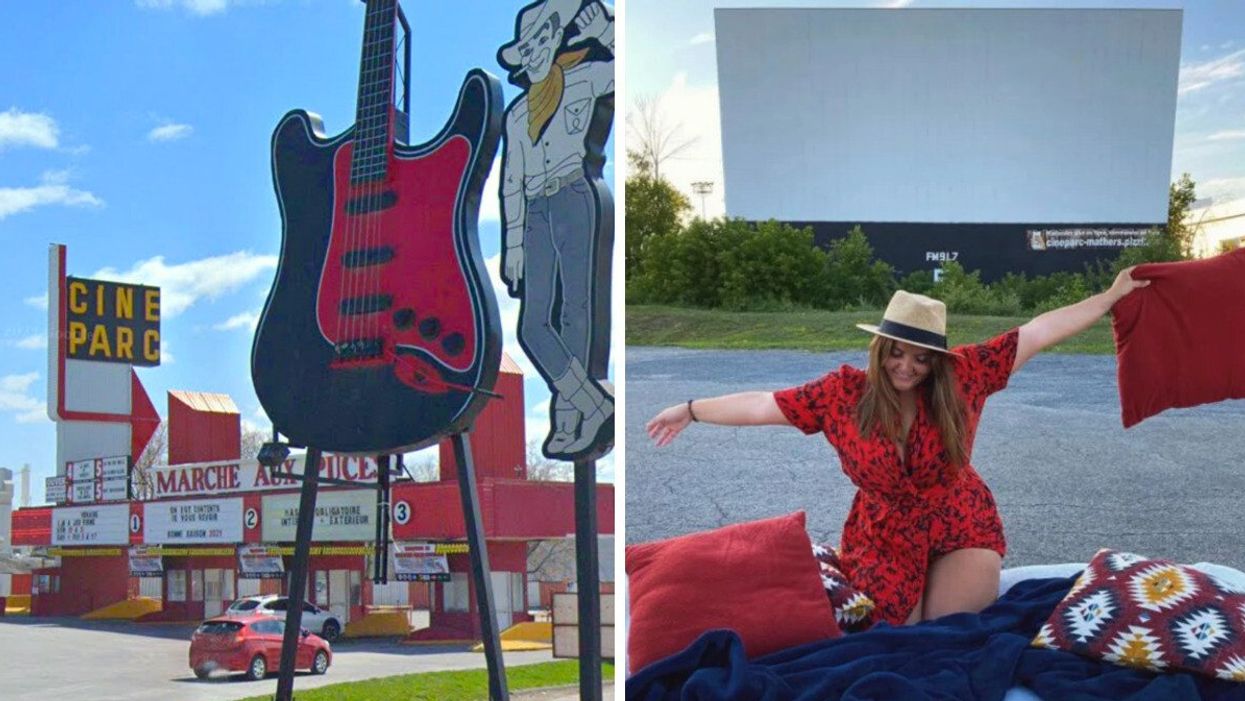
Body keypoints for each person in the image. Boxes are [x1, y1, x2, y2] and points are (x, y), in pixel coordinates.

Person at [646, 269, 1149, 626]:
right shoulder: (842, 393)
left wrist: (1109, 296)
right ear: (880, 347)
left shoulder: (964, 375)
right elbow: (761, 404)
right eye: (896, 353)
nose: (906, 367)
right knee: (896, 635)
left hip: (959, 519)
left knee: (946, 635)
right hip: (882, 533)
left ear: (937, 359)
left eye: (921, 358)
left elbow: (1037, 331)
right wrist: (691, 409)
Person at [498, 0, 615, 460]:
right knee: (533, 324)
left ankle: (571, 422)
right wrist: (512, 243)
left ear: (555, 41)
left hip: (575, 193)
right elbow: (510, 181)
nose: (534, 53)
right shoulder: (517, 113)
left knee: (578, 314)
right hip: (535, 210)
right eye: (525, 48)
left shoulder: (583, 80)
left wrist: (605, 33)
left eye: (541, 41)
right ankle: (595, 404)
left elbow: (621, 75)